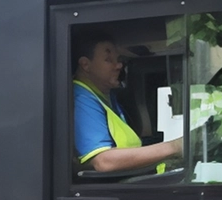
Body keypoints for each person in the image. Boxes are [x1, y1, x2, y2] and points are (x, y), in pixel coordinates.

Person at [73, 31, 182, 173]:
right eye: (108, 59)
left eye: (117, 59)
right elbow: (103, 161)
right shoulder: (81, 99)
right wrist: (176, 147)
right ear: (85, 65)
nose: (118, 65)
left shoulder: (105, 95)